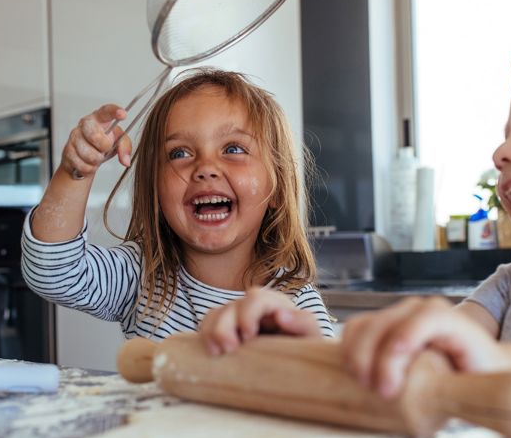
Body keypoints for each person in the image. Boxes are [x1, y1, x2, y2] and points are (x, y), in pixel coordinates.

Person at [213, 9, 511, 432]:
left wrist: (500, 364)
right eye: (507, 132)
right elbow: (421, 356)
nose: (502, 153)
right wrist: (306, 353)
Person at [21, 69, 334, 342]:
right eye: (179, 153)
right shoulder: (143, 277)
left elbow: (330, 392)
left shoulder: (293, 304)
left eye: (233, 148)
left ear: (276, 186)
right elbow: (53, 272)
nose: (205, 167)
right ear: (155, 190)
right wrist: (76, 172)